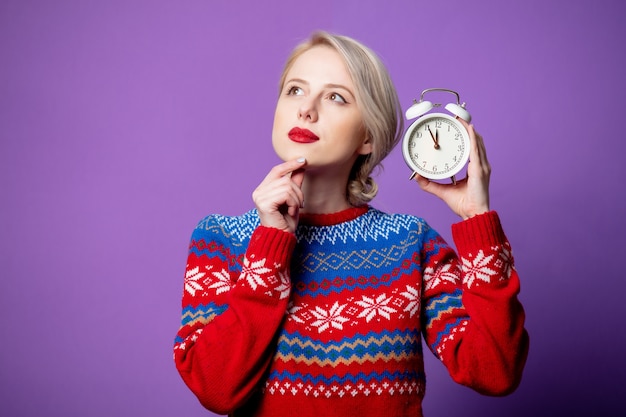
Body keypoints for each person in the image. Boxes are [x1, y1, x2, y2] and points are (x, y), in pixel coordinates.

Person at [173, 31, 529, 417]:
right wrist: (270, 245)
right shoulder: (221, 239)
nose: (306, 110)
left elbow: (495, 372)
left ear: (367, 137)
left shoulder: (410, 242)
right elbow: (215, 389)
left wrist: (477, 219)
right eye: (295, 90)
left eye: (335, 97)